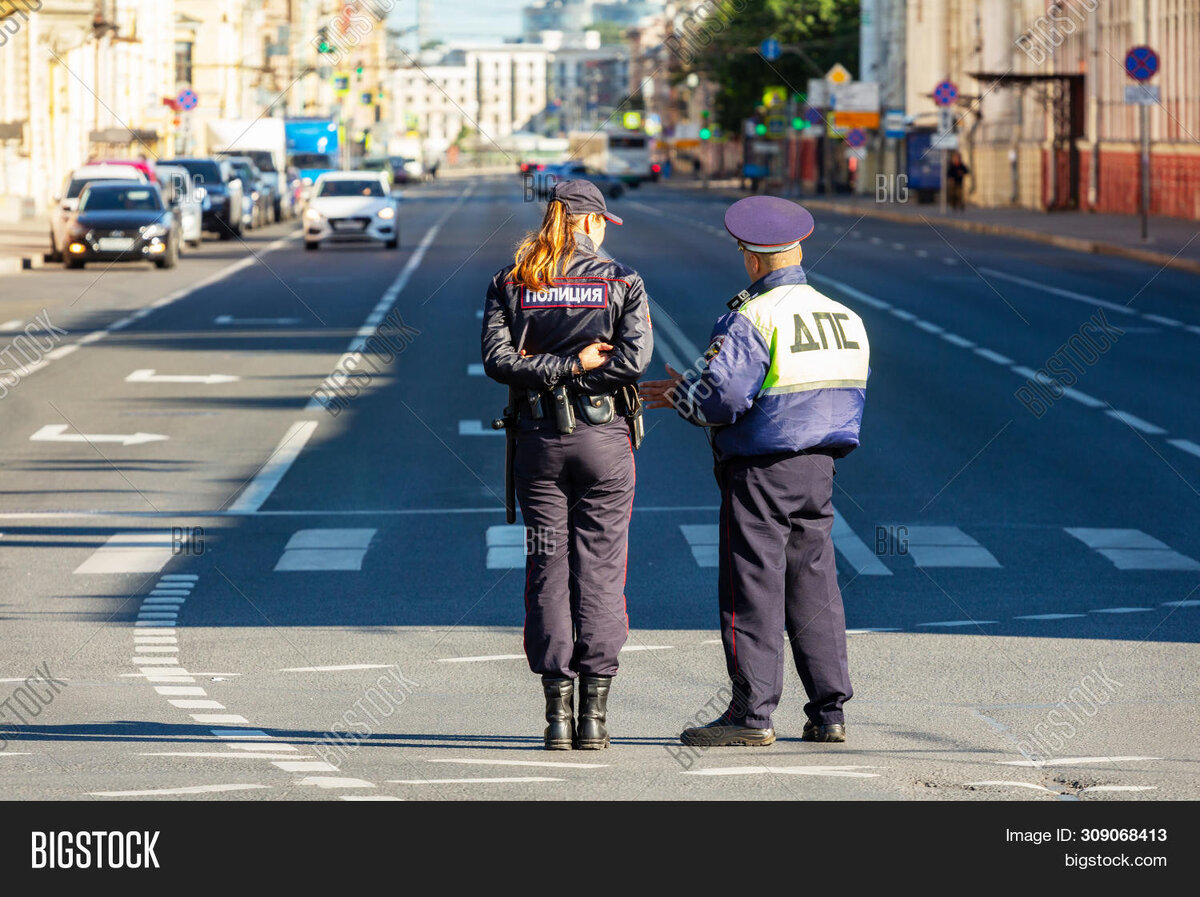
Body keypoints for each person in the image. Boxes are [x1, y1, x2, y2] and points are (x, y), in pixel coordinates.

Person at [639, 195, 870, 747]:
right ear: (798, 250)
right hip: (820, 467)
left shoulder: (753, 316)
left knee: (753, 588)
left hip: (761, 471)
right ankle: (829, 711)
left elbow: (723, 401)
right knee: (815, 588)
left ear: (751, 258)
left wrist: (684, 395)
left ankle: (750, 715)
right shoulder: (844, 316)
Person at [481, 179, 654, 750]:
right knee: (602, 569)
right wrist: (580, 367)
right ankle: (594, 718)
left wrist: (552, 368)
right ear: (587, 222)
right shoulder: (622, 281)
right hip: (604, 439)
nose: (604, 233)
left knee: (546, 567)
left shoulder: (512, 282)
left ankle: (555, 714)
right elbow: (632, 361)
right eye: (603, 222)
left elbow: (498, 361)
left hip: (538, 443)